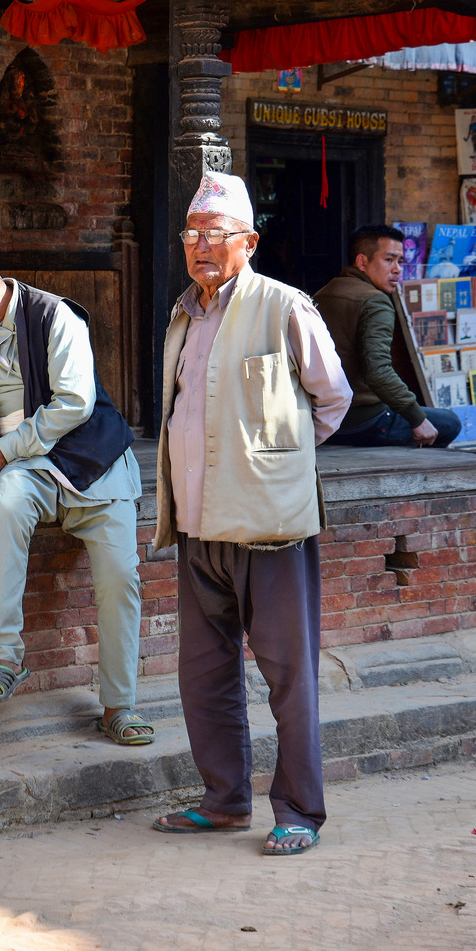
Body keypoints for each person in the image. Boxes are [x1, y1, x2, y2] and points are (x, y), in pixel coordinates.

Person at [149, 172, 352, 855]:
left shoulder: (284, 307)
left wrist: (277, 465)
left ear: (250, 242)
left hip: (268, 527)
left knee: (288, 676)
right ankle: (225, 799)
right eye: (191, 236)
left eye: (215, 235)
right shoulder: (185, 313)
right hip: (197, 524)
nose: (201, 247)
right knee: (204, 674)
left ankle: (297, 810)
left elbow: (333, 400)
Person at [0, 218, 153, 746]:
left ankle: (120, 704)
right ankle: (4, 659)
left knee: (121, 577)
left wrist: (1, 451)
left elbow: (74, 403)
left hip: (94, 464)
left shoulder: (55, 316)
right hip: (24, 470)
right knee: (3, 503)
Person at [316, 223, 461, 448]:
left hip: (324, 420)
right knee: (450, 422)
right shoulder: (376, 301)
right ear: (362, 262)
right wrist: (416, 418)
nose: (397, 269)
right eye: (389, 260)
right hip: (366, 420)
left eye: (400, 261)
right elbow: (378, 371)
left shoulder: (322, 294)